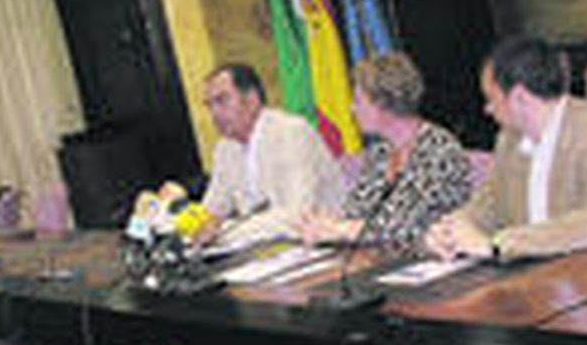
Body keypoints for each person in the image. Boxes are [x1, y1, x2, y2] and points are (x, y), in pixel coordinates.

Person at [424, 35, 587, 261]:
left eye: (491, 98)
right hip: (551, 274)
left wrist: (498, 245)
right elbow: (490, 204)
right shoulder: (509, 139)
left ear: (519, 97)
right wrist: (452, 228)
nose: (487, 110)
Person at [301, 51, 473, 250]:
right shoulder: (380, 153)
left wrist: (341, 229)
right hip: (379, 262)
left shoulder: (438, 149)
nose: (352, 109)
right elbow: (355, 213)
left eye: (358, 100)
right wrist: (326, 224)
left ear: (382, 103)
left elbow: (404, 227)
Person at [199, 63, 343, 246]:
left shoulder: (292, 132)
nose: (214, 113)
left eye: (222, 100)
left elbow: (296, 215)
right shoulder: (225, 148)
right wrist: (196, 224)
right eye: (209, 105)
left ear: (252, 99)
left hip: (324, 245)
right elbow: (212, 210)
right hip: (264, 249)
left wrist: (224, 230)